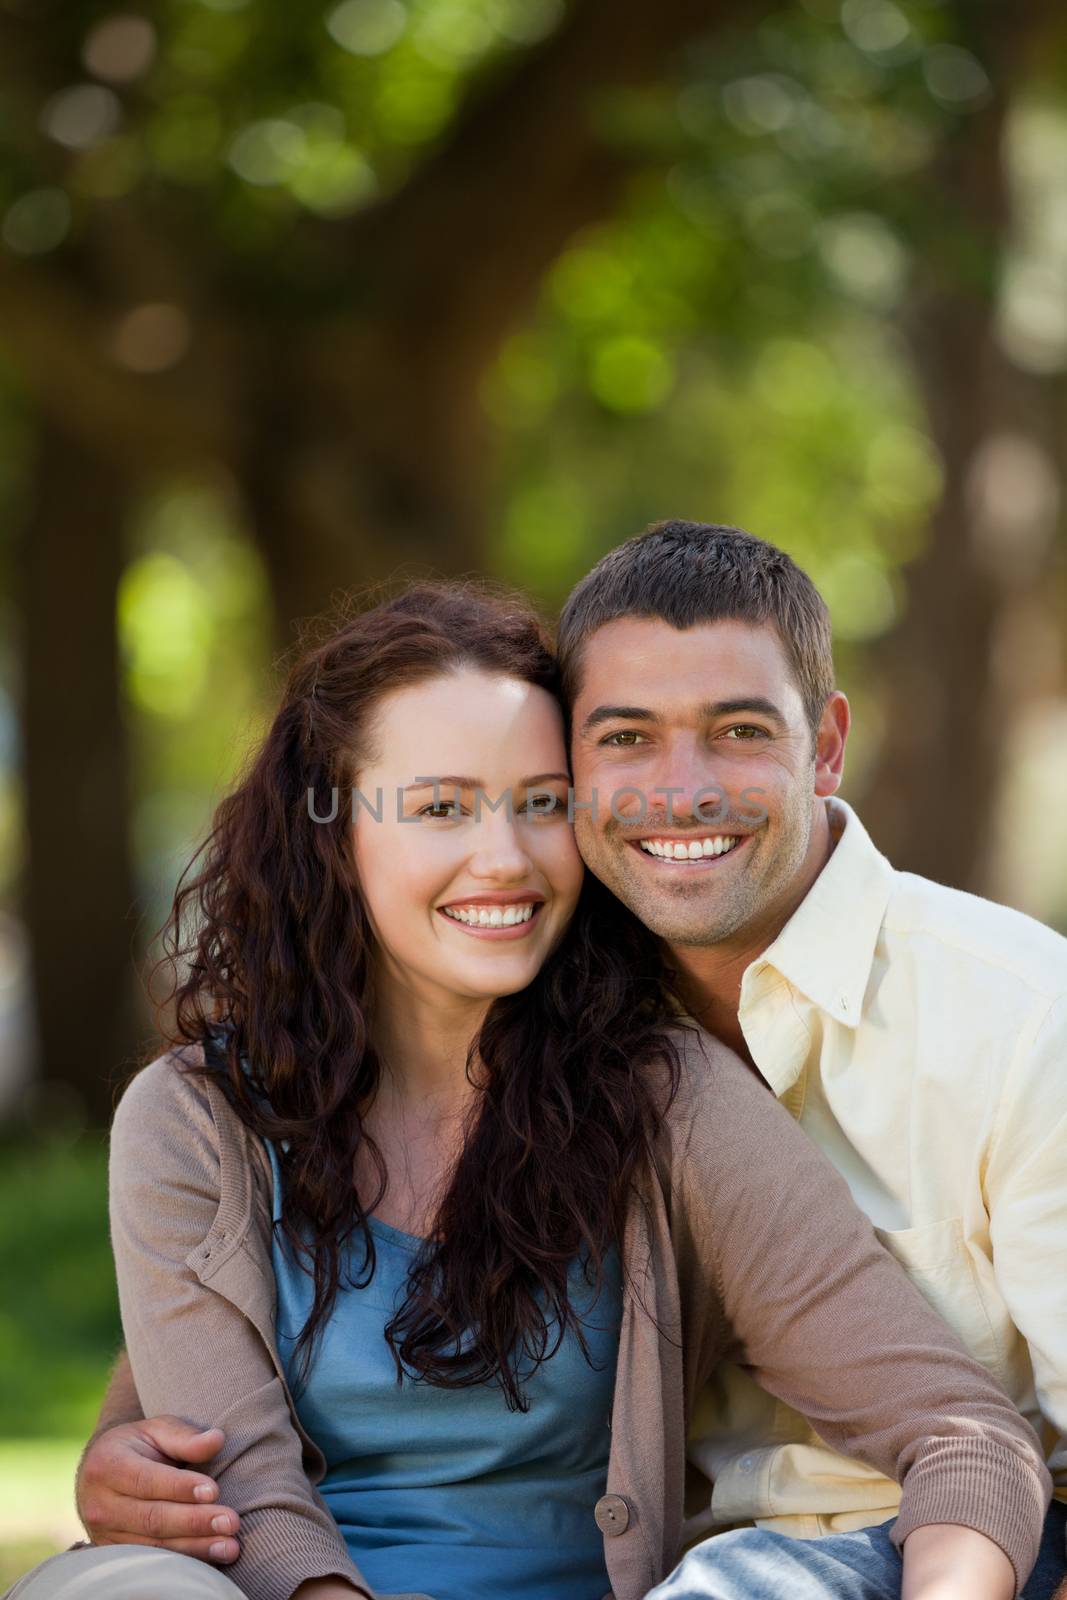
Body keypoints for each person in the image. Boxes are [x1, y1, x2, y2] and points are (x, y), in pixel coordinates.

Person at [3, 579, 1053, 1600]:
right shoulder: (195, 1118)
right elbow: (244, 1495)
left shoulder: (662, 1096)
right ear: (334, 834)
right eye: (440, 807)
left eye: (540, 804)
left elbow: (960, 1437)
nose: (502, 858)